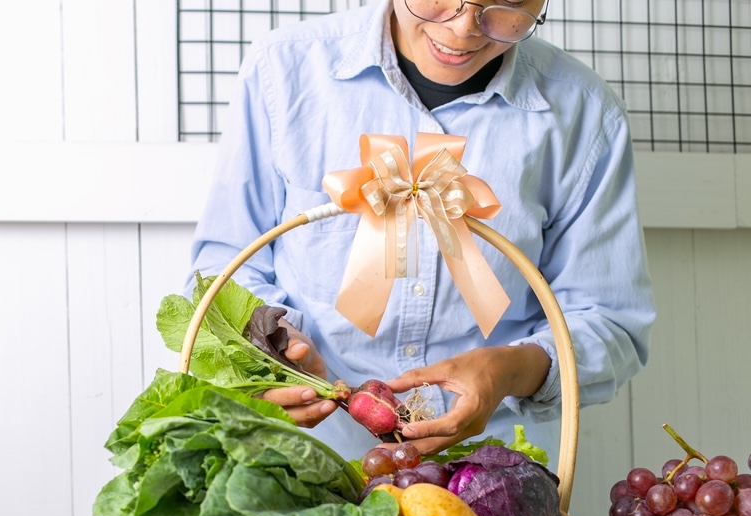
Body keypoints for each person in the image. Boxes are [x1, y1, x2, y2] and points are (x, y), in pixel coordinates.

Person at [187, 0, 656, 462]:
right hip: (303, 457)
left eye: (509, 2)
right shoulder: (283, 69)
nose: (464, 28)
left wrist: (511, 370)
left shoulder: (586, 113)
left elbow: (612, 322)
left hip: (488, 472)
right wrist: (270, 343)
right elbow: (222, 269)